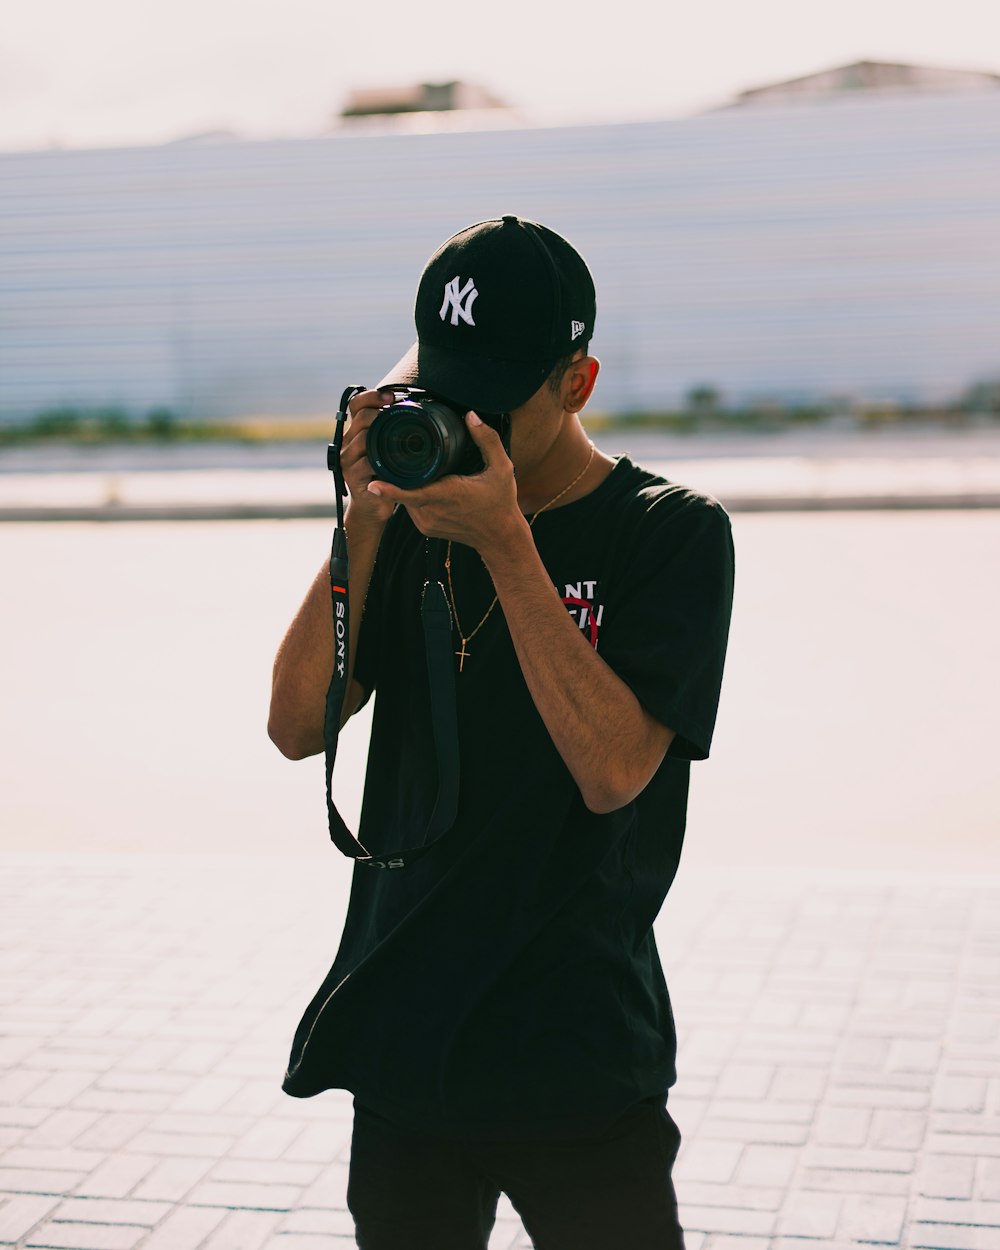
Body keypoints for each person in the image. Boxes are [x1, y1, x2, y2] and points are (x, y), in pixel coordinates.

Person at [268, 216, 735, 1250]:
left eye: (493, 396)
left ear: (577, 379)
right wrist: (361, 521)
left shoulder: (668, 531)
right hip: (404, 1035)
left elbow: (614, 769)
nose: (462, 418)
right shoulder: (407, 512)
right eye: (445, 386)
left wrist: (508, 546)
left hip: (575, 1046)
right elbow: (297, 724)